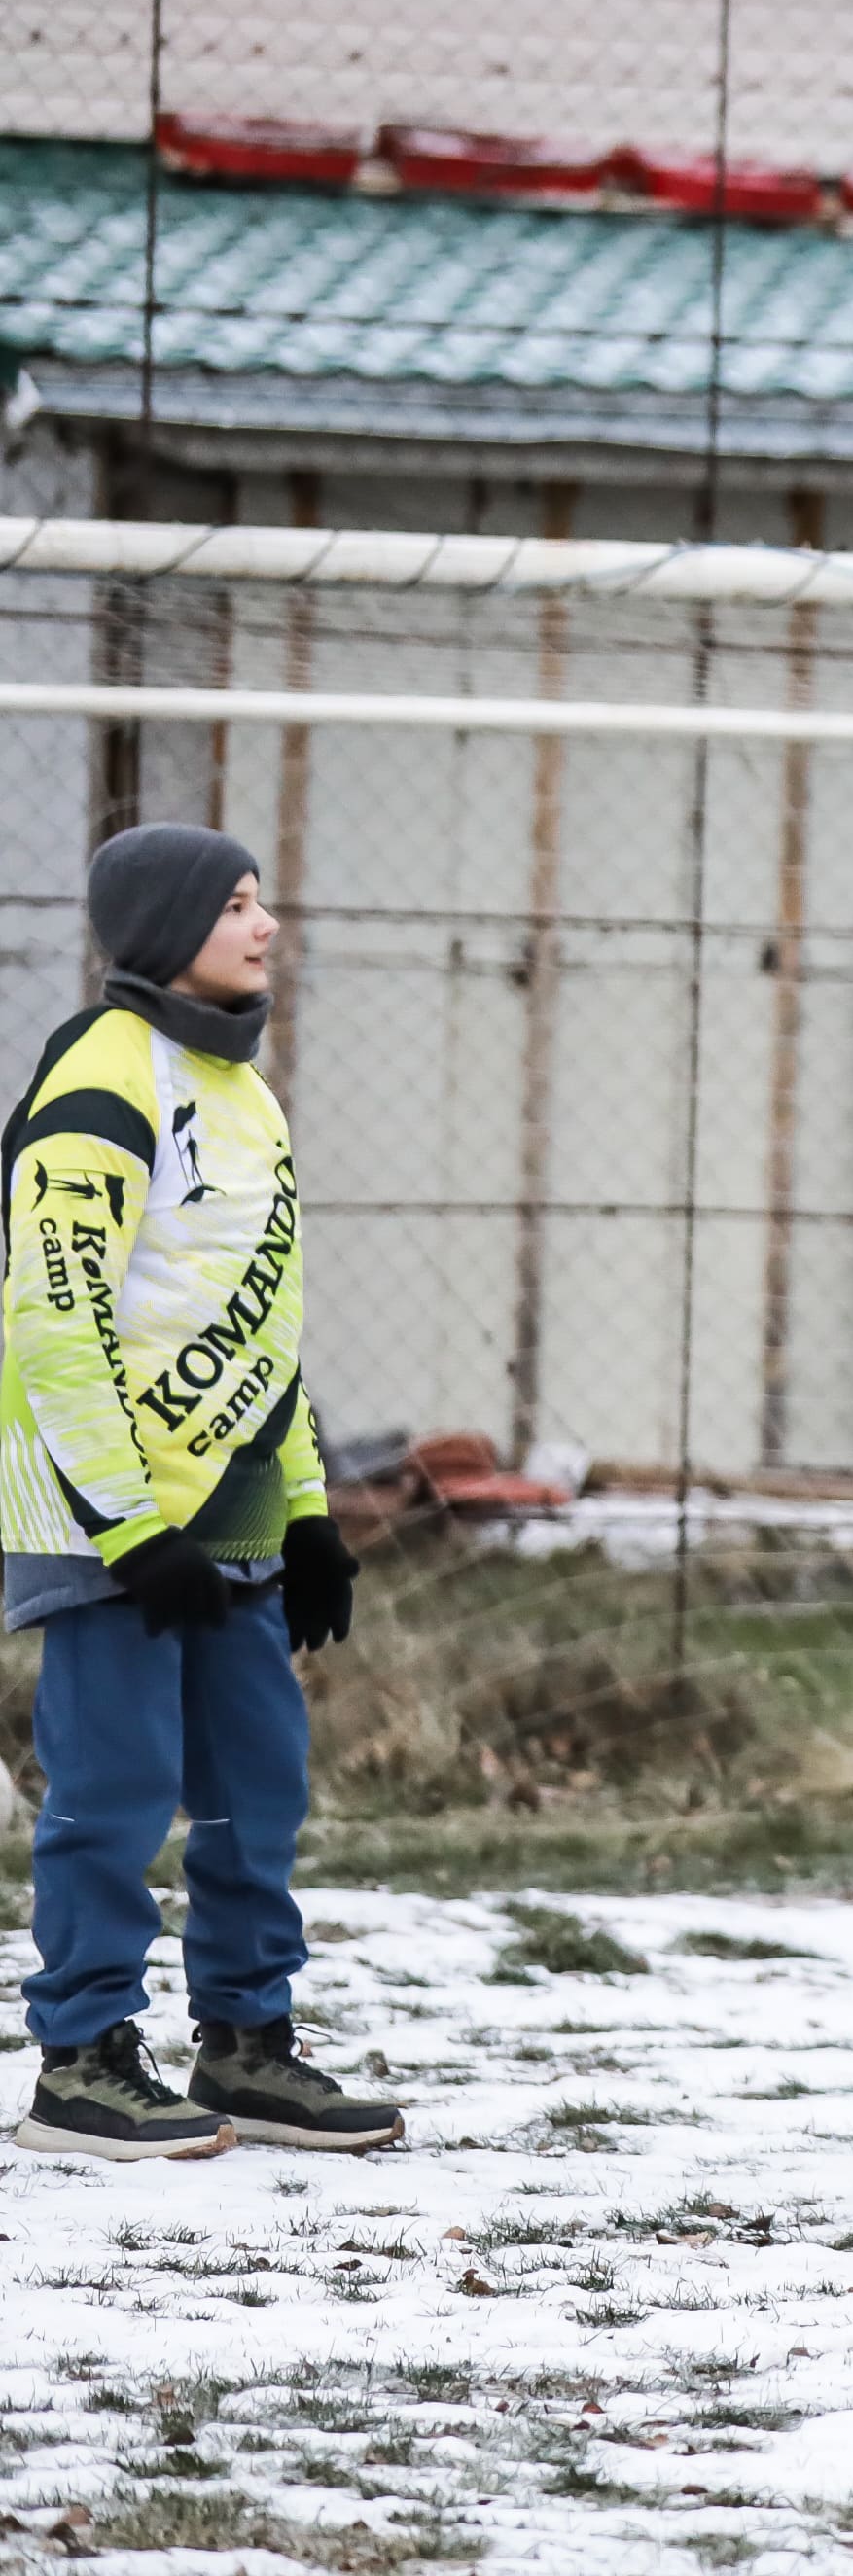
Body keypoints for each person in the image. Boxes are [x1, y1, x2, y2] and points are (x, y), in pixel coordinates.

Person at [6, 825, 393, 2161]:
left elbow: (265, 1318)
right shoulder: (102, 1085)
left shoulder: (247, 1092)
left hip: (226, 1504)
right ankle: (83, 2057)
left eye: (262, 899)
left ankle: (245, 2045)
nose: (267, 923)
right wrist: (130, 1527)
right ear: (166, 927)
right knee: (115, 1789)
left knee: (255, 1783)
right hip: (108, 1509)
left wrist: (304, 1508)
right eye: (236, 904)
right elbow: (53, 1328)